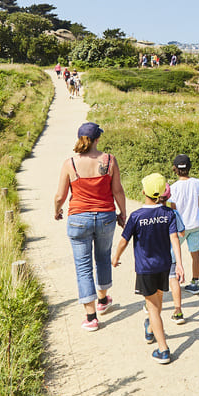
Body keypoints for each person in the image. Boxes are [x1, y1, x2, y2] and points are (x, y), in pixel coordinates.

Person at [54, 122, 128, 332]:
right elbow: (118, 191)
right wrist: (123, 213)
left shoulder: (70, 164)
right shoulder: (109, 160)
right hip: (105, 216)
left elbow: (60, 195)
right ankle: (103, 301)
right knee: (103, 257)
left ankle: (91, 317)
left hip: (78, 218)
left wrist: (57, 210)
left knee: (83, 266)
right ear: (97, 139)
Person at [113, 173, 184, 364]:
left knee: (152, 308)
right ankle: (151, 329)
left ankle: (163, 350)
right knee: (158, 302)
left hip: (145, 269)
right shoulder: (168, 214)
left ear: (144, 191)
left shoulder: (136, 216)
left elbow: (123, 241)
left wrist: (116, 257)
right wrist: (179, 264)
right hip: (164, 266)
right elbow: (175, 239)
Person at [165, 154, 199, 313]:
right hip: (195, 223)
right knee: (195, 252)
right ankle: (195, 283)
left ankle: (174, 278)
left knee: (173, 253)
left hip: (180, 226)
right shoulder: (196, 183)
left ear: (175, 169)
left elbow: (173, 209)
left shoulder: (174, 187)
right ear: (190, 167)